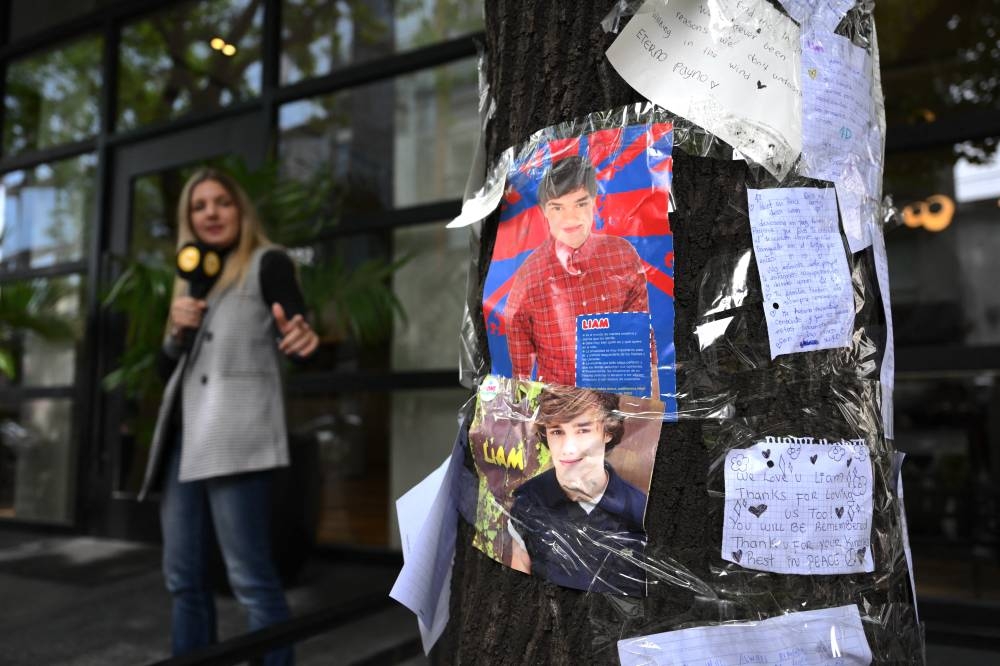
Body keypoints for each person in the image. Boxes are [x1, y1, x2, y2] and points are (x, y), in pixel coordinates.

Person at [138, 167, 319, 665]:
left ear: (240, 211)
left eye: (222, 202)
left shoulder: (268, 262)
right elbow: (162, 369)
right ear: (188, 220)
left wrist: (303, 338)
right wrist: (175, 333)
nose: (211, 213)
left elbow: (296, 324)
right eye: (199, 206)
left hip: (233, 438)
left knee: (251, 580)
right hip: (180, 441)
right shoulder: (192, 278)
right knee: (183, 579)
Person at [504, 155, 656, 391]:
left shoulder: (622, 254)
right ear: (544, 211)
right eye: (558, 207)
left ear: (594, 202)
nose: (571, 218)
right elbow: (521, 368)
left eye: (580, 203)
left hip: (614, 401)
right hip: (559, 408)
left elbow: (643, 342)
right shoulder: (529, 274)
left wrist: (649, 411)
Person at [507, 385, 649, 595]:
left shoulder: (640, 508)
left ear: (608, 432)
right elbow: (518, 589)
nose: (568, 448)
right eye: (557, 431)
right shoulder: (527, 502)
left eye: (583, 430)